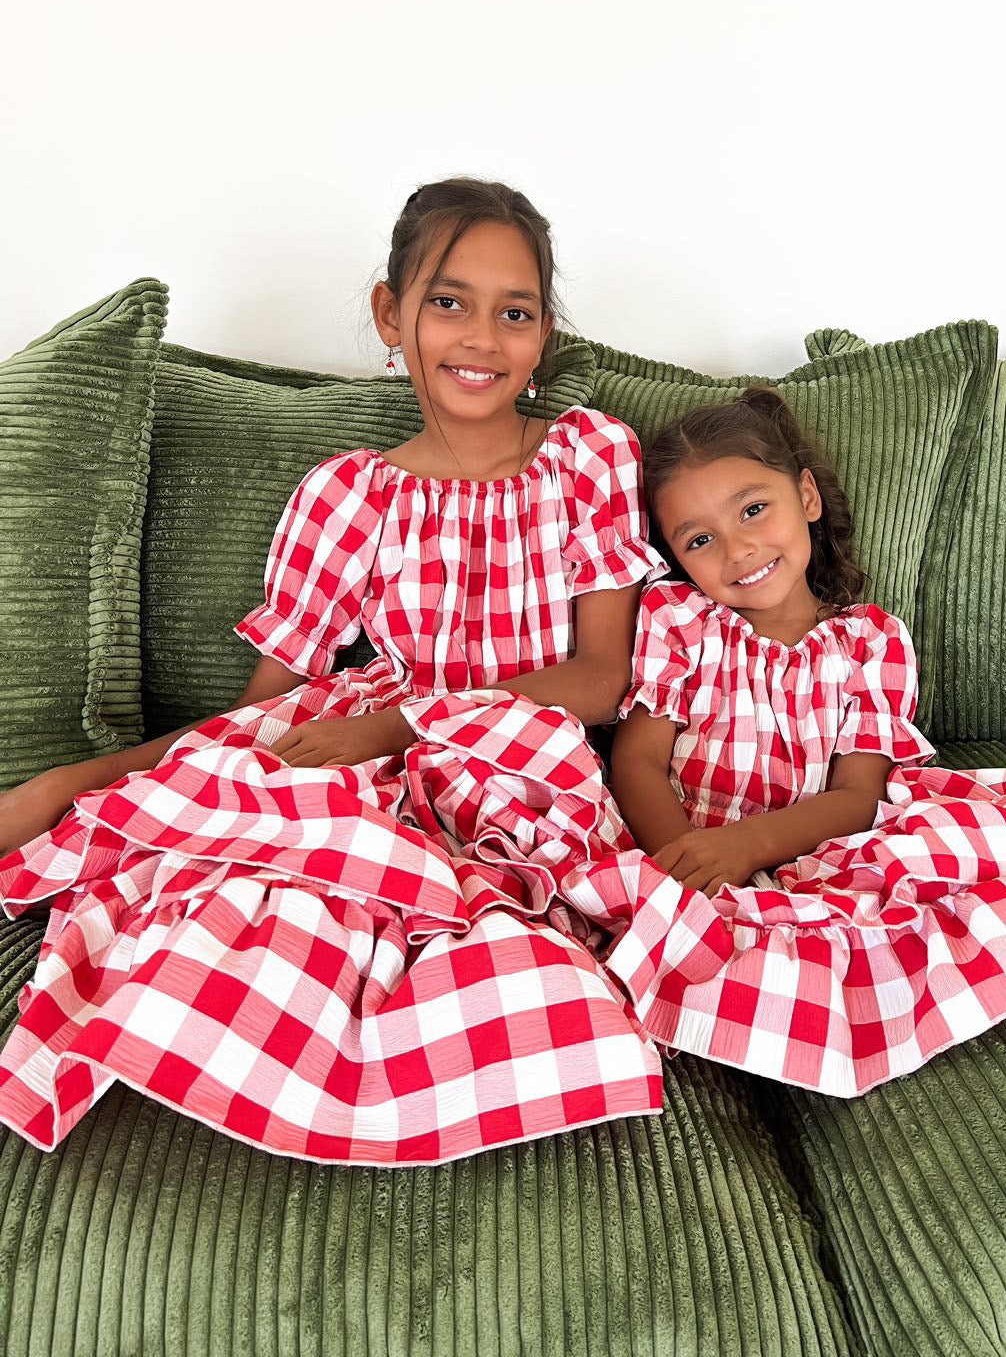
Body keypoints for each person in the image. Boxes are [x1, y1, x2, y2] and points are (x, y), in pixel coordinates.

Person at [0, 177, 670, 1165]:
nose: (482, 336)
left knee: (482, 937)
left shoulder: (586, 455)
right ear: (390, 315)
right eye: (449, 302)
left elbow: (601, 677)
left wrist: (406, 726)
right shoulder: (348, 495)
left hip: (525, 768)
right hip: (376, 763)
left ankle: (431, 1051)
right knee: (255, 867)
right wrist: (73, 781)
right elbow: (261, 715)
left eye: (514, 312)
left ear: (543, 336)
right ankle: (240, 1036)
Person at [557, 387, 1006, 1097]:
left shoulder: (870, 641)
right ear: (674, 556)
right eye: (699, 540)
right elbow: (636, 758)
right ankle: (711, 978)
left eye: (753, 509)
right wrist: (687, 872)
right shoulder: (677, 620)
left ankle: (776, 1003)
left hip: (801, 851)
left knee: (916, 869)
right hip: (675, 847)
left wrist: (745, 850)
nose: (739, 549)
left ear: (808, 498)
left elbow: (858, 797)